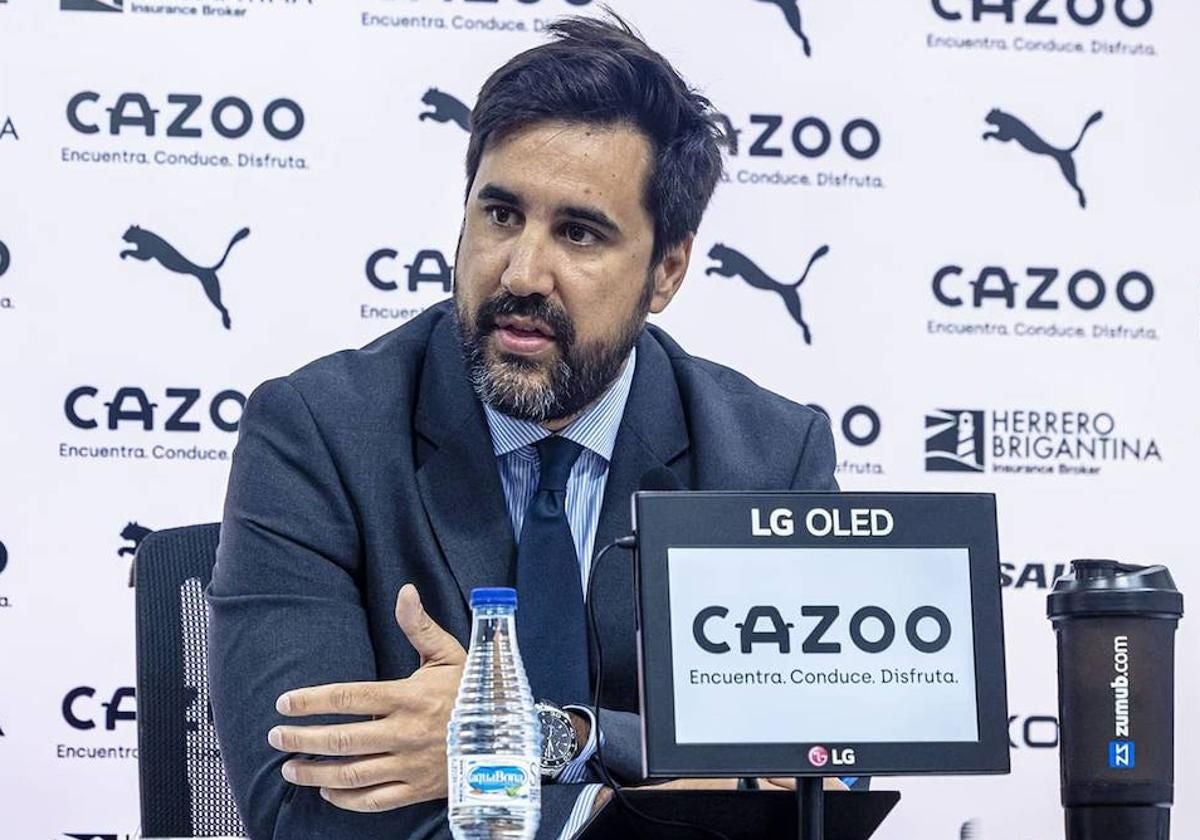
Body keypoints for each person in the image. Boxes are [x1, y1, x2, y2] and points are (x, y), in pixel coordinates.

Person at [207, 14, 839, 840]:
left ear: (668, 270)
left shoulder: (765, 459)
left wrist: (529, 740)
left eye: (578, 233)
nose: (521, 273)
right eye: (501, 215)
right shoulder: (318, 433)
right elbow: (307, 808)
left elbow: (802, 789)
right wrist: (642, 789)